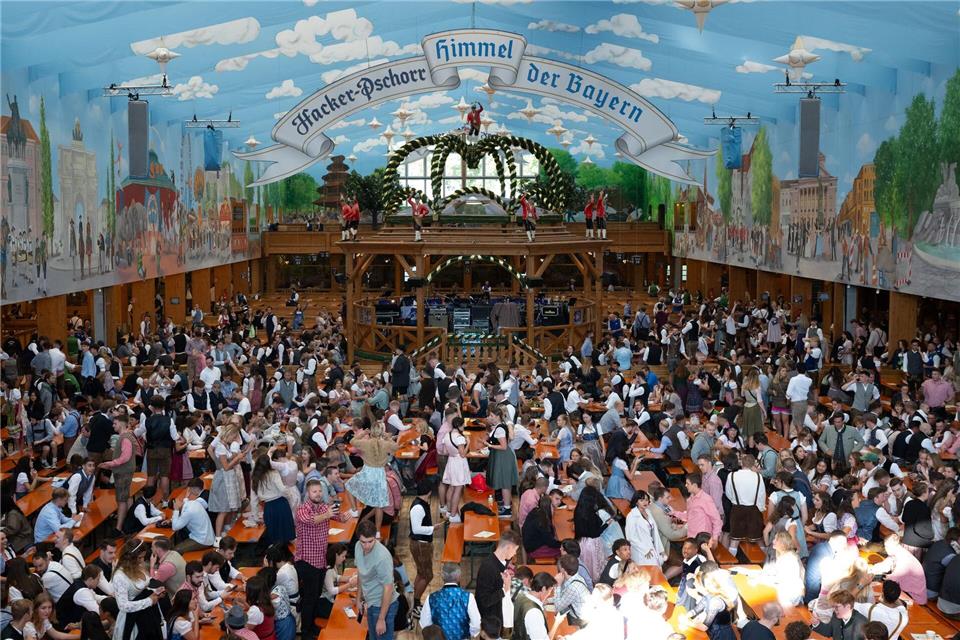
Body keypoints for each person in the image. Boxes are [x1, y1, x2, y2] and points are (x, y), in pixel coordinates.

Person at [294, 478, 337, 640]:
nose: (318, 494)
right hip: (307, 561)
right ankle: (305, 632)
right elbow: (311, 520)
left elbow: (337, 515)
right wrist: (327, 514)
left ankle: (311, 625)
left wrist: (347, 514)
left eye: (320, 491)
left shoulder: (324, 507)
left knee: (316, 594)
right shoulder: (302, 510)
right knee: (309, 599)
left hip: (320, 560)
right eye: (315, 491)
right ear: (308, 493)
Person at [354, 519, 399, 640]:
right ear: (358, 539)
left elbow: (388, 588)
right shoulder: (357, 547)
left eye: (370, 541)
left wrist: (381, 618)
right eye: (363, 542)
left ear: (375, 537)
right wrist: (358, 599)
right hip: (371, 602)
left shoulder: (382, 557)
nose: (367, 546)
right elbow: (360, 573)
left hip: (384, 606)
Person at [419, 563, 481, 640]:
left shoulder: (431, 598)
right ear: (459, 577)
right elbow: (476, 623)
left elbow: (425, 624)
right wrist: (469, 635)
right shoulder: (468, 597)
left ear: (442, 577)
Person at [475, 530, 519, 634]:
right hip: (490, 623)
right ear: (508, 548)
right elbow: (484, 601)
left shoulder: (503, 561)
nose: (515, 553)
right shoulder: (488, 568)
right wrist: (505, 589)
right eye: (515, 549)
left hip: (499, 617)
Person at [408, 479, 435, 618]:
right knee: (427, 575)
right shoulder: (418, 507)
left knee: (421, 572)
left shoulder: (421, 504)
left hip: (422, 544)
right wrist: (432, 528)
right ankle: (416, 604)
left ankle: (415, 601)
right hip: (420, 544)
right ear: (429, 492)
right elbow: (416, 529)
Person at [171, 478, 215, 552]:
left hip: (202, 540)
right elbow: (186, 505)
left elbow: (175, 527)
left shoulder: (189, 510)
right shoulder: (195, 503)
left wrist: (176, 510)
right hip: (206, 535)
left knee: (175, 550)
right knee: (182, 531)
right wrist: (186, 498)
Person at [625, 490, 666, 567]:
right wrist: (645, 550)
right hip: (641, 551)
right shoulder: (631, 516)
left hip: (653, 547)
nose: (645, 502)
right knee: (646, 574)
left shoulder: (648, 512)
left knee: (656, 572)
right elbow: (630, 537)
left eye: (646, 500)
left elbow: (655, 533)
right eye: (641, 500)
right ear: (636, 502)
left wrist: (661, 549)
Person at [512, 573, 556, 640]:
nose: (549, 594)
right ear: (543, 589)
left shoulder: (520, 596)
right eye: (550, 590)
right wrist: (557, 622)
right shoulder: (534, 612)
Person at [553, 554, 590, 627]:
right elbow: (565, 596)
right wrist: (548, 600)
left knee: (553, 618)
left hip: (579, 620)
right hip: (581, 615)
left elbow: (558, 607)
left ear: (563, 570)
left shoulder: (573, 587)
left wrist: (558, 586)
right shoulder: (577, 577)